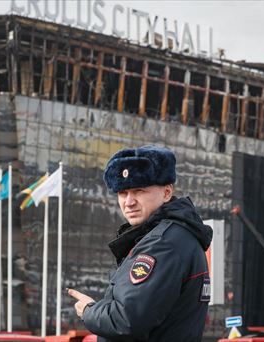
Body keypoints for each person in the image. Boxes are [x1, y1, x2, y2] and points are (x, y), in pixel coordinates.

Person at [68, 145, 213, 341]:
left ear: (167, 192)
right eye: (122, 193)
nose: (129, 202)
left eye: (139, 191)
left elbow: (127, 321)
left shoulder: (163, 244)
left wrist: (88, 310)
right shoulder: (175, 236)